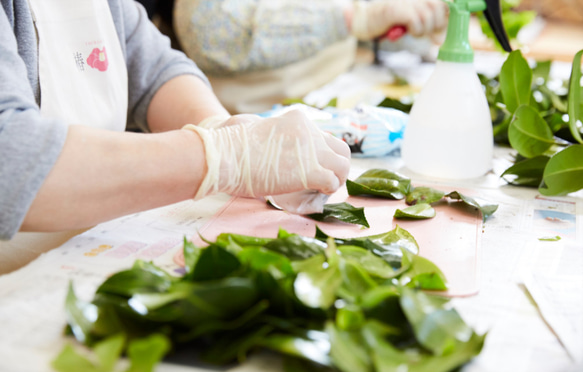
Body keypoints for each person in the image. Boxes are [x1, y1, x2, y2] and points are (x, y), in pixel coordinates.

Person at [0, 0, 351, 241]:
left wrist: (222, 128)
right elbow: (10, 157)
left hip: (77, 244)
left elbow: (154, 70)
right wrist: (223, 157)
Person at [172, 0, 449, 113]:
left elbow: (369, 28)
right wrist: (357, 18)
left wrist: (416, 20)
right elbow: (212, 36)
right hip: (242, 128)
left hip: (328, 113)